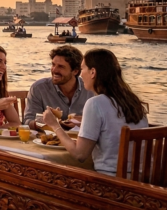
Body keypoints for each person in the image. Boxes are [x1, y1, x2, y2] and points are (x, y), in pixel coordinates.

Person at [41, 48, 149, 176]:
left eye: (83, 69)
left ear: (93, 72)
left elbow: (80, 154)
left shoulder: (95, 103)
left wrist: (54, 125)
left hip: (112, 179)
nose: (81, 75)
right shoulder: (133, 101)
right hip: (143, 177)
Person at [24, 46, 93, 129]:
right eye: (53, 64)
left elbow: (102, 121)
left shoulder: (90, 89)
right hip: (49, 136)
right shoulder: (39, 88)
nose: (54, 70)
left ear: (75, 71)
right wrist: (46, 120)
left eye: (61, 66)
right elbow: (28, 121)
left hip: (81, 136)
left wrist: (85, 121)